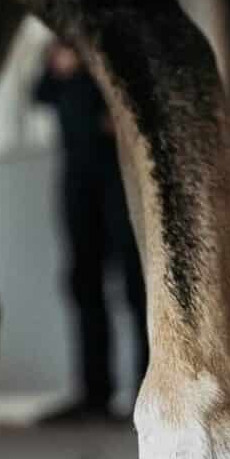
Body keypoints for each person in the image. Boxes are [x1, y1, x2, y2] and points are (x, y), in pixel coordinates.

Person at [33, 39, 149, 423]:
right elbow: (41, 94)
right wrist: (62, 63)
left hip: (121, 176)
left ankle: (146, 396)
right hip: (76, 177)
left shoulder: (123, 43)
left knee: (136, 285)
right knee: (84, 282)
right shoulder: (61, 48)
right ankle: (93, 393)